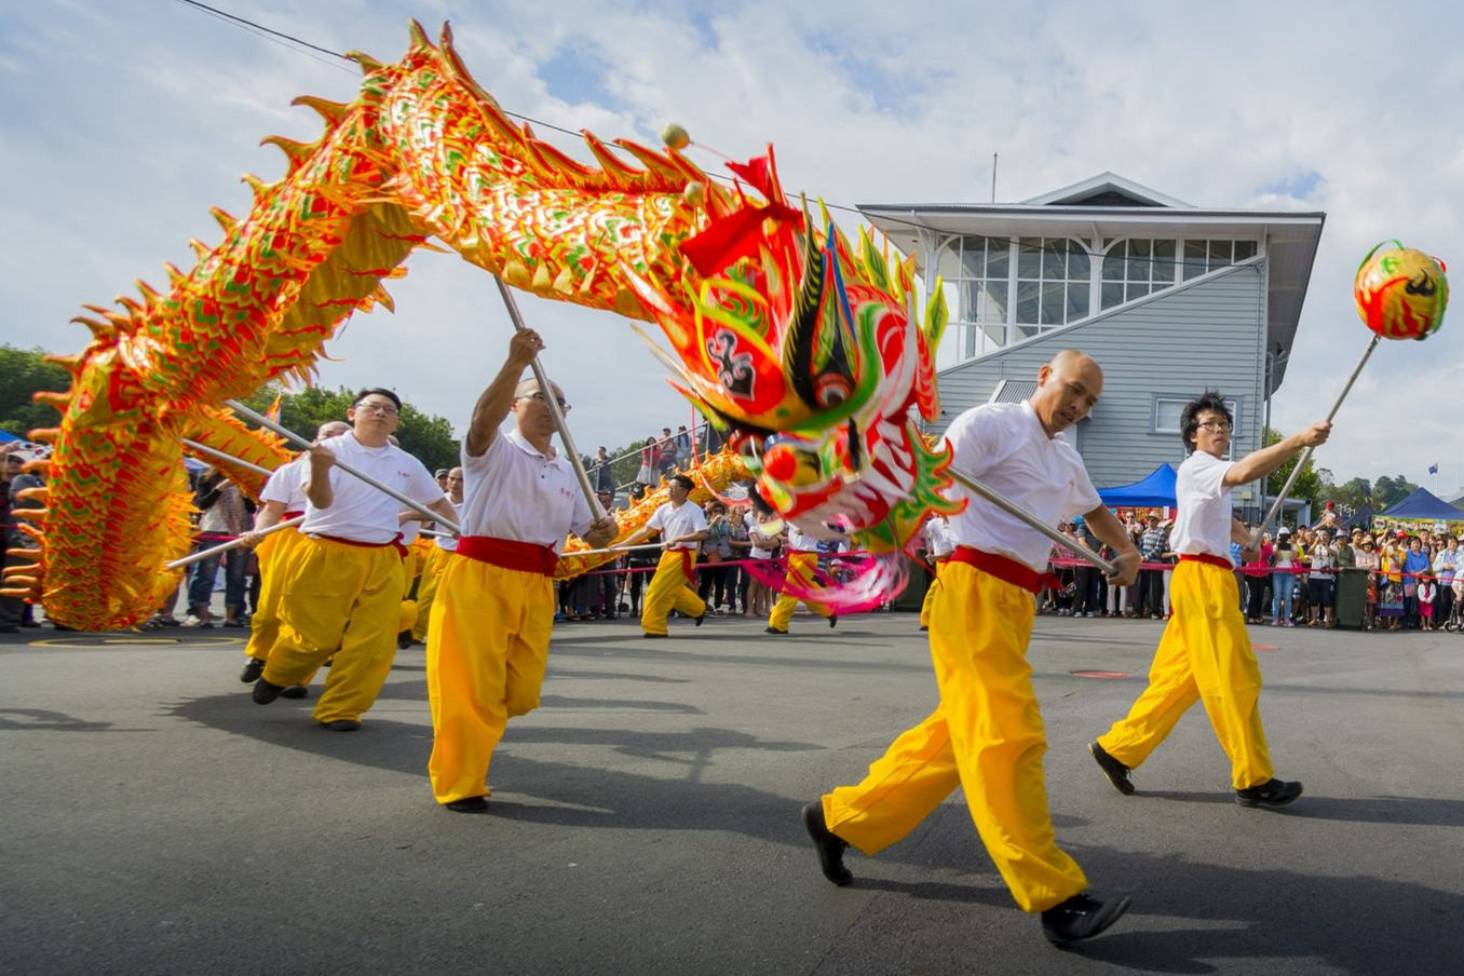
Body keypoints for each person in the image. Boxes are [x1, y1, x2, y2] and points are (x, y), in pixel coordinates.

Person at [803, 350, 1141, 947]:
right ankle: (1054, 894)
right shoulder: (990, 424)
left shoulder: (1066, 457)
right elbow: (932, 483)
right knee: (1007, 733)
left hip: (1017, 603)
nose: (1078, 407)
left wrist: (1125, 551)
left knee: (957, 737)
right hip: (970, 590)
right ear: (1044, 377)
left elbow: (1096, 514)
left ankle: (840, 819)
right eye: (1073, 390)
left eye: (1089, 401)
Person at [1090, 392, 1330, 809]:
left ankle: (1117, 748)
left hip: (1205, 577)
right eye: (1211, 424)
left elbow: (1223, 510)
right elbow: (1240, 476)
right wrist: (1297, 441)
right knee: (1236, 678)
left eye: (1224, 425)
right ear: (1192, 435)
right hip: (1203, 580)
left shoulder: (1208, 474)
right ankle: (1253, 779)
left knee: (1179, 681)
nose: (1220, 431)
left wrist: (1244, 539)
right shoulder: (1199, 466)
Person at [425, 330, 616, 811]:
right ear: (516, 404)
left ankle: (477, 740)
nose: (553, 406)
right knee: (471, 687)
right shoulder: (495, 451)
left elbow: (589, 535)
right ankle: (461, 781)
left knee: (520, 691)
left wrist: (603, 532)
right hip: (480, 576)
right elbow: (479, 422)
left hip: (537, 585)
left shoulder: (569, 470)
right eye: (542, 396)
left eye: (562, 402)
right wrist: (515, 361)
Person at [250, 389, 457, 731]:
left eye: (388, 410)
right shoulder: (329, 452)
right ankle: (278, 672)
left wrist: (463, 531)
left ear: (395, 421)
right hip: (326, 551)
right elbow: (321, 500)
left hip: (382, 556)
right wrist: (318, 469)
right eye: (372, 407)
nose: (380, 414)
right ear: (352, 413)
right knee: (315, 637)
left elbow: (437, 502)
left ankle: (342, 709)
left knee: (373, 643)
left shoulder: (407, 463)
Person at [238, 420, 351, 692]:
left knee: (309, 614)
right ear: (316, 438)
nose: (332, 441)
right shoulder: (289, 471)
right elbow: (271, 510)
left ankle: (297, 676)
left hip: (327, 542)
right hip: (286, 539)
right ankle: (261, 653)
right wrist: (258, 532)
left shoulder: (356, 476)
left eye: (340, 436)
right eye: (327, 434)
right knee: (269, 610)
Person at [617, 474, 708, 637]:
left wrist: (679, 538)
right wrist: (623, 545)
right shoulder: (663, 509)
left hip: (684, 555)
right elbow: (646, 531)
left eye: (672, 488)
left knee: (656, 590)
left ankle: (655, 627)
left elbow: (702, 534)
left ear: (684, 491)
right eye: (669, 488)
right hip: (668, 554)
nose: (669, 491)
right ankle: (698, 609)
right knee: (672, 589)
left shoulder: (694, 510)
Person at [407, 466, 463, 643]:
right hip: (439, 552)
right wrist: (406, 517)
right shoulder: (440, 501)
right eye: (452, 479)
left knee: (456, 599)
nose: (455, 484)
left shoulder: (475, 503)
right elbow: (423, 520)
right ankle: (416, 633)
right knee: (427, 595)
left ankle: (451, 634)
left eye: (460, 480)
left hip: (462, 556)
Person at [766, 523, 837, 634]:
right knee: (804, 592)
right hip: (795, 556)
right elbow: (780, 531)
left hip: (806, 556)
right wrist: (784, 535)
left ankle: (778, 625)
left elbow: (802, 530)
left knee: (790, 591)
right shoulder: (794, 516)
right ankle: (828, 610)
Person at [918, 514, 954, 631]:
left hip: (953, 563)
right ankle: (929, 620)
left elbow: (955, 551)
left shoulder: (956, 526)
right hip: (940, 563)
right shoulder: (934, 523)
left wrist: (936, 557)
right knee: (941, 590)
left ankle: (928, 620)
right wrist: (930, 552)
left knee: (937, 588)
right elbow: (924, 535)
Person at [1306, 529, 1335, 628]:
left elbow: (1334, 554)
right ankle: (1314, 619)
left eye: (1326, 535)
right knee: (1313, 599)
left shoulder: (1331, 546)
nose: (1323, 537)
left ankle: (1327, 621)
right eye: (1321, 535)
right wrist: (1315, 542)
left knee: (1327, 599)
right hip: (1314, 576)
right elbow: (1309, 552)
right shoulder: (1315, 546)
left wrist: (1325, 544)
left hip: (1326, 578)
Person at [1270, 528, 1297, 627]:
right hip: (1278, 572)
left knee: (1287, 597)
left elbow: (1293, 558)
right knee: (1277, 596)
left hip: (1289, 573)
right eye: (1282, 535)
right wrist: (1277, 544)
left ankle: (1286, 619)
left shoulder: (1293, 545)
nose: (1284, 537)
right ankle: (1275, 618)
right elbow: (1278, 557)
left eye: (1286, 535)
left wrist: (1291, 545)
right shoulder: (1275, 546)